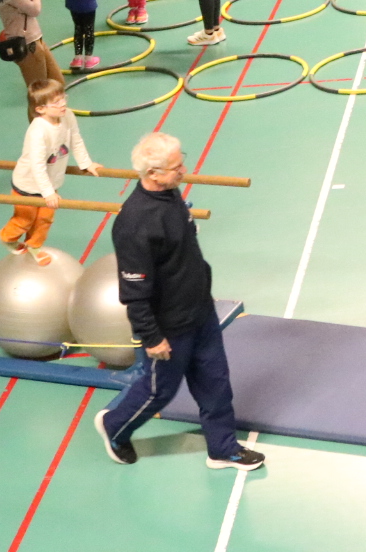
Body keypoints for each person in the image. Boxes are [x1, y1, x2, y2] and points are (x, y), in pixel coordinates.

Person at [95, 132, 265, 473]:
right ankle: (114, 426)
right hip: (168, 329)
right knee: (159, 392)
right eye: (176, 167)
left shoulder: (170, 194)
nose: (184, 171)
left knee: (216, 383)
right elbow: (134, 290)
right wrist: (152, 337)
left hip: (200, 313)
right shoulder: (135, 223)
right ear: (153, 173)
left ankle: (222, 449)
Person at [2, 80, 99, 264]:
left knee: (45, 219)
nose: (63, 104)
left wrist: (86, 163)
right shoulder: (38, 131)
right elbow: (37, 165)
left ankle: (34, 246)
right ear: (40, 109)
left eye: (63, 98)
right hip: (27, 185)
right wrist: (48, 192)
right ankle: (7, 237)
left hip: (50, 184)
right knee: (25, 220)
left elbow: (76, 140)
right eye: (56, 102)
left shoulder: (68, 116)